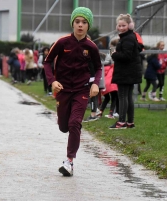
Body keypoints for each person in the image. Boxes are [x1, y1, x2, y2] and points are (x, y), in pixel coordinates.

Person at [43, 7, 102, 176]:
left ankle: (69, 161)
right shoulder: (62, 42)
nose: (80, 25)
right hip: (63, 90)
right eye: (77, 22)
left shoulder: (91, 47)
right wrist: (52, 81)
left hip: (81, 90)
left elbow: (98, 67)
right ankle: (65, 120)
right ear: (73, 24)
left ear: (88, 26)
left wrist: (95, 84)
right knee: (63, 127)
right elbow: (47, 63)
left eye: (84, 22)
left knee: (74, 123)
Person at [109, 13, 142, 129]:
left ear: (130, 25)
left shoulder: (127, 38)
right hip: (130, 72)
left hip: (125, 72)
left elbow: (126, 56)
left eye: (124, 25)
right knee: (128, 96)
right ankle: (130, 122)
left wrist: (114, 54)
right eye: (119, 25)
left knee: (123, 96)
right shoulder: (130, 37)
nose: (121, 28)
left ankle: (121, 122)